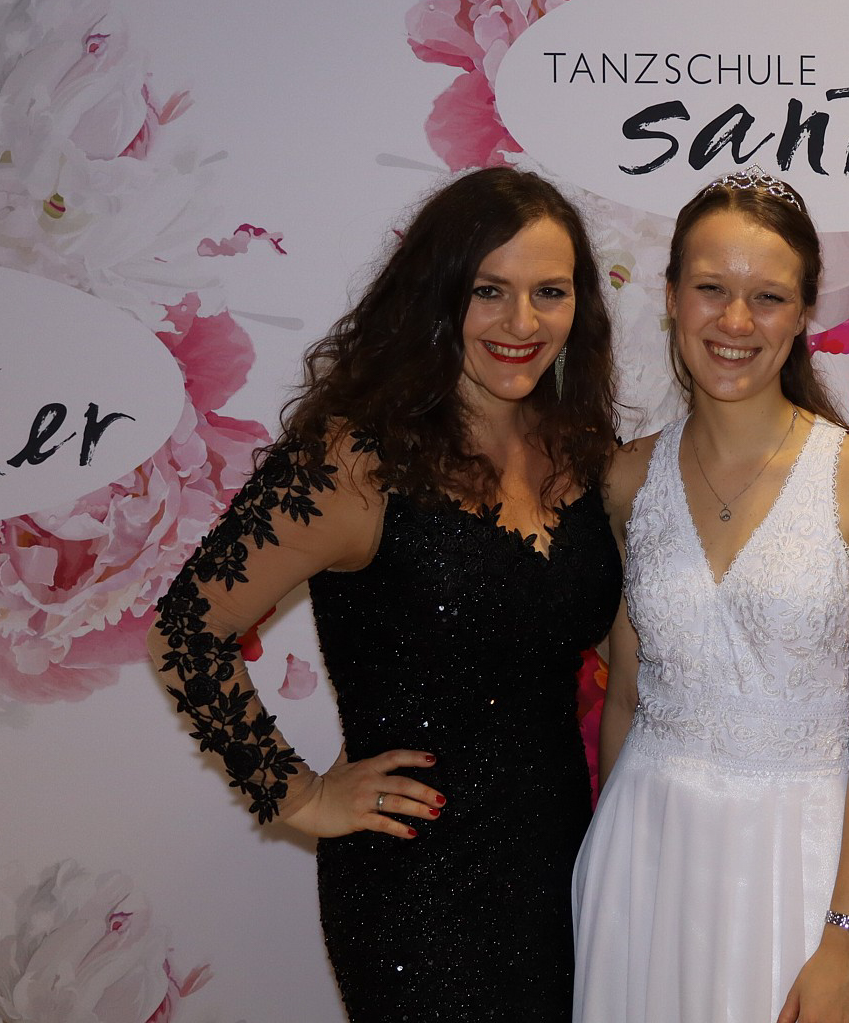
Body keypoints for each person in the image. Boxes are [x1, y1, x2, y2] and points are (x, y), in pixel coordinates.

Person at [148, 166, 623, 1022]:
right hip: (417, 888)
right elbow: (186, 629)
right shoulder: (353, 461)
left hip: (562, 860)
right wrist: (298, 795)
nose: (522, 323)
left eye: (549, 293)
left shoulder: (580, 449)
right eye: (489, 291)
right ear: (437, 294)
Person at [572, 167, 849, 1023]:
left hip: (801, 868)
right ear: (670, 297)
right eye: (711, 289)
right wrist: (611, 871)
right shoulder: (623, 479)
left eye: (768, 297)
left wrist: (848, 938)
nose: (735, 322)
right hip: (643, 856)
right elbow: (625, 697)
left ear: (803, 314)